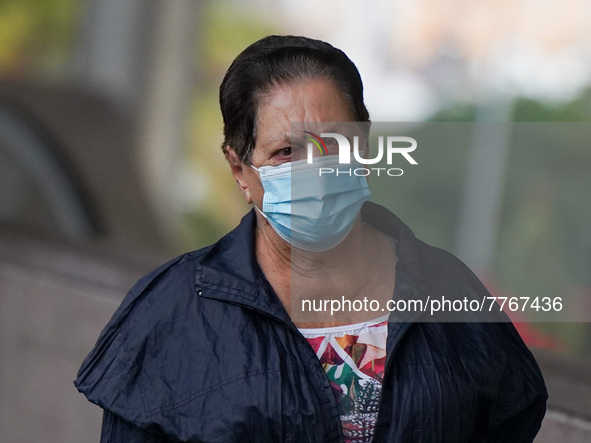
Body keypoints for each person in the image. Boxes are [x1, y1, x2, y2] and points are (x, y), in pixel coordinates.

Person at [75, 35, 547, 442]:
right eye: (285, 152)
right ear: (240, 170)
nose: (315, 169)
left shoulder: (447, 290)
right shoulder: (171, 314)